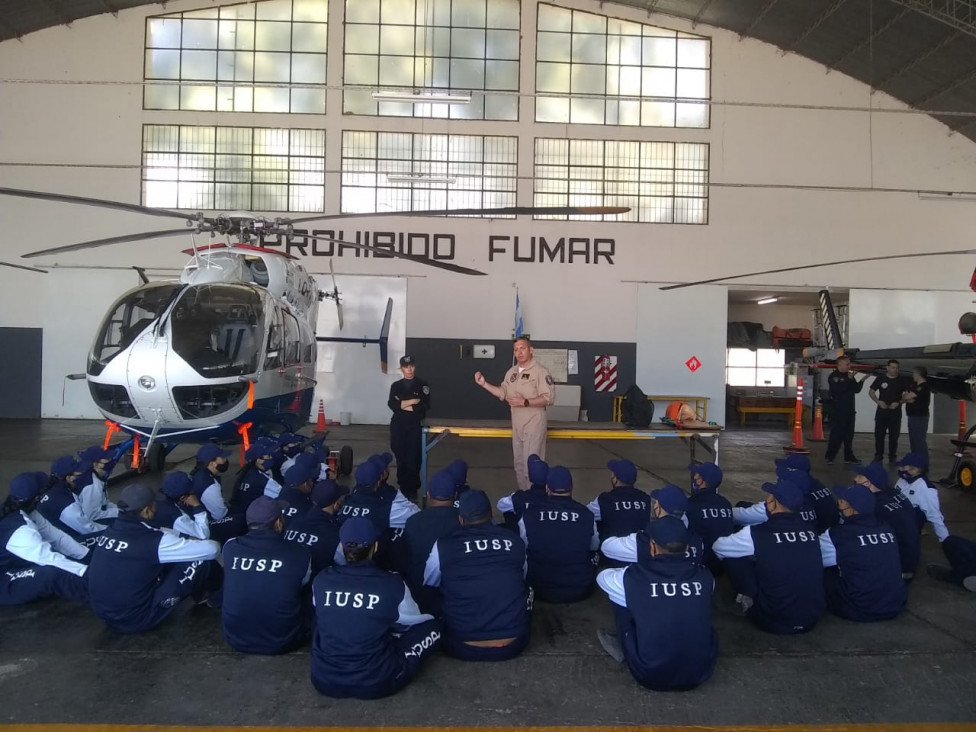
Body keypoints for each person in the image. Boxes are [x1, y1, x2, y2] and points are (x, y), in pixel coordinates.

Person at [309, 517, 441, 699]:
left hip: (324, 679)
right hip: (376, 681)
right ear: (376, 547)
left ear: (342, 546)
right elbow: (413, 622)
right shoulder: (392, 583)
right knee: (432, 627)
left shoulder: (322, 580)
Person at [595, 516, 717, 692]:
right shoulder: (706, 577)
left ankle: (623, 643)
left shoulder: (632, 577)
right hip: (700, 672)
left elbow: (602, 577)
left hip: (649, 674)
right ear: (687, 547)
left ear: (651, 547)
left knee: (621, 596)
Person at [88, 483, 223, 634]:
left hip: (106, 614)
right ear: (146, 510)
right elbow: (212, 550)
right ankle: (219, 597)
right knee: (200, 561)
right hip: (137, 618)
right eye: (154, 506)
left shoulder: (111, 531)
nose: (156, 509)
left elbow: (158, 533)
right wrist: (210, 542)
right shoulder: (153, 541)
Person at [423, 490, 531, 661]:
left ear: (460, 519)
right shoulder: (514, 540)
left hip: (461, 645)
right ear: (491, 515)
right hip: (513, 643)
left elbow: (429, 584)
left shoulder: (444, 545)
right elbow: (523, 577)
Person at [712, 478, 826, 633]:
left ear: (774, 503)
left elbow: (719, 547)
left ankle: (746, 600)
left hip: (773, 620)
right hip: (811, 619)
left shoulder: (756, 533)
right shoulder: (811, 531)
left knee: (733, 557)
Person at [221, 496, 313, 655]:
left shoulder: (230, 547)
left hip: (236, 637)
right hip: (283, 640)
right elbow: (302, 584)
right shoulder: (300, 553)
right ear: (278, 523)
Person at [474, 337, 555, 492]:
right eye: (516, 349)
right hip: (517, 425)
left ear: (531, 350)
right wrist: (484, 384)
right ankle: (524, 497)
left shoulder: (540, 371)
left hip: (534, 423)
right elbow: (502, 392)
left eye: (522, 348)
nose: (519, 352)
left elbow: (548, 398)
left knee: (532, 465)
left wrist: (525, 402)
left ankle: (535, 499)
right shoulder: (511, 372)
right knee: (519, 464)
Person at [819, 483, 907, 622]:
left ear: (852, 510)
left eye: (841, 501)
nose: (838, 504)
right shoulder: (886, 528)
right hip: (894, 604)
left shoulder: (838, 534)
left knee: (820, 574)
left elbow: (813, 559)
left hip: (860, 608)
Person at [0, 472, 90, 606]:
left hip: (15, 563)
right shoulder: (19, 530)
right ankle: (103, 597)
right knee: (52, 574)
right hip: (3, 580)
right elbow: (50, 560)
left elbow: (57, 538)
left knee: (72, 557)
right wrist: (89, 575)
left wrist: (87, 555)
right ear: (37, 497)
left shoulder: (29, 512)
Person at [518, 465, 599, 603]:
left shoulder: (529, 514)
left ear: (547, 488)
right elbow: (594, 546)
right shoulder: (587, 514)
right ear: (572, 487)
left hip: (538, 587)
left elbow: (523, 546)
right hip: (580, 589)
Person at [600, 484, 704, 568]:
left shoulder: (646, 539)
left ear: (659, 508)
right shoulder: (698, 542)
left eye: (656, 503)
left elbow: (607, 547)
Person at [402, 470, 459, 612]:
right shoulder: (463, 521)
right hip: (456, 597)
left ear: (428, 494)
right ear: (456, 496)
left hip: (419, 598)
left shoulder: (413, 522)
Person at [854, 462, 921, 579]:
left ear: (868, 483)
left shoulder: (873, 505)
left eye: (859, 476)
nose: (855, 479)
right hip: (910, 558)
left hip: (896, 569)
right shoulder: (894, 493)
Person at [388, 355, 431, 501]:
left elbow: (424, 406)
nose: (409, 369)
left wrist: (402, 404)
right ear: (401, 368)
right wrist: (412, 401)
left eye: (411, 366)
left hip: (414, 426)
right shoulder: (396, 386)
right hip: (398, 426)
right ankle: (403, 486)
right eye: (406, 367)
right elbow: (392, 405)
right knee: (401, 456)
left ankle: (412, 489)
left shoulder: (422, 385)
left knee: (413, 458)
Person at [35, 456, 109, 539]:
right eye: (79, 473)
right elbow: (88, 529)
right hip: (67, 542)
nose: (83, 475)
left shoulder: (54, 489)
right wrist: (111, 530)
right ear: (69, 478)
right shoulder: (66, 504)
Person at [284, 478, 347, 575]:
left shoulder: (294, 524)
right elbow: (344, 564)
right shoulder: (334, 535)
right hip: (317, 585)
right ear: (335, 504)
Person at [586, 459, 651, 543]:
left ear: (615, 479)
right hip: (639, 550)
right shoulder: (645, 499)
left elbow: (585, 515)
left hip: (611, 551)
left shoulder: (605, 500)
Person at [686, 462, 734, 574]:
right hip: (724, 564)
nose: (694, 478)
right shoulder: (725, 503)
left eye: (697, 476)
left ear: (702, 481)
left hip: (701, 563)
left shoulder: (691, 504)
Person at [191, 443, 242, 543]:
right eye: (222, 458)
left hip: (197, 517)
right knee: (240, 520)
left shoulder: (198, 473)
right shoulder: (210, 485)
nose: (225, 460)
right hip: (206, 525)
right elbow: (220, 515)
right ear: (213, 463)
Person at [824, 355, 868, 465]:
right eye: (847, 364)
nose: (849, 366)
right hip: (838, 410)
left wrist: (862, 380)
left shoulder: (849, 376)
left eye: (849, 364)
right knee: (837, 434)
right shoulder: (834, 377)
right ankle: (830, 456)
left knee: (849, 435)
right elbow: (839, 390)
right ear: (840, 364)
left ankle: (848, 456)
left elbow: (856, 389)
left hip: (849, 410)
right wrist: (849, 379)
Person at [894, 452, 948, 540]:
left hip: (910, 521)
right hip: (898, 513)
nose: (902, 470)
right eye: (902, 467)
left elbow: (934, 514)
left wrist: (945, 539)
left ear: (917, 470)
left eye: (909, 469)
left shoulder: (926, 489)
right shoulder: (902, 479)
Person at [870, 359, 909, 464]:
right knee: (879, 435)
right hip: (882, 410)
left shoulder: (902, 380)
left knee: (894, 436)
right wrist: (878, 402)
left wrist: (899, 402)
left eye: (897, 368)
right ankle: (878, 455)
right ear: (887, 367)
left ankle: (892, 456)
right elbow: (871, 392)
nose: (895, 370)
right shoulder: (881, 378)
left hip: (895, 411)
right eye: (892, 367)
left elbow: (907, 395)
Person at [497, 454, 549, 530]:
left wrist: (515, 496)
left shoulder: (520, 497)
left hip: (524, 538)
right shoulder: (554, 499)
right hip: (546, 534)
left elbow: (500, 505)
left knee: (509, 512)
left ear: (530, 478)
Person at [154, 472, 211, 540]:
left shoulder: (159, 498)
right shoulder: (175, 515)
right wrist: (197, 506)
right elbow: (204, 535)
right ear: (183, 498)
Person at [902, 366, 931, 466]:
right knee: (913, 441)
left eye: (914, 374)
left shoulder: (923, 386)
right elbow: (905, 397)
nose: (913, 376)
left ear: (918, 374)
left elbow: (907, 397)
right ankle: (915, 462)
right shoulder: (914, 386)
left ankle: (923, 464)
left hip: (920, 417)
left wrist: (908, 398)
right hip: (912, 416)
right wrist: (908, 397)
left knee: (919, 441)